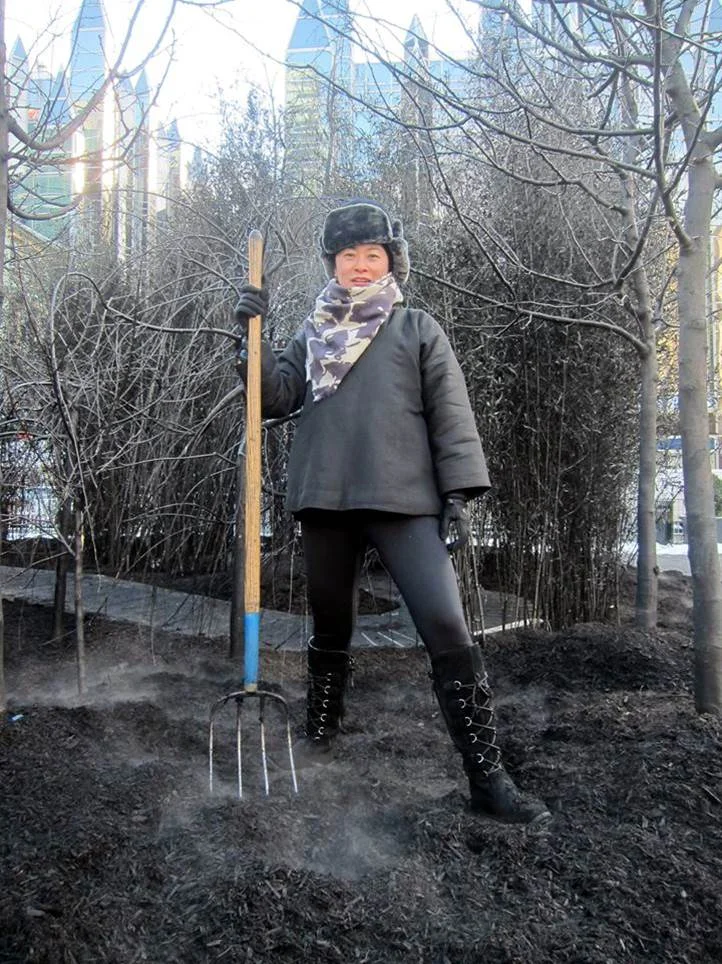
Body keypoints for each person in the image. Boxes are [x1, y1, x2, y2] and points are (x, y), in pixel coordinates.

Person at [234, 200, 550, 825]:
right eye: (347, 255)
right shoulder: (313, 329)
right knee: (330, 625)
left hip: (405, 500)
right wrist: (252, 339)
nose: (358, 265)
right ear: (334, 262)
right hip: (326, 496)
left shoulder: (416, 328)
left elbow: (451, 415)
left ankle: (487, 777)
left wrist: (457, 495)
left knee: (445, 626)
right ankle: (321, 734)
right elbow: (275, 397)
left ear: (389, 261)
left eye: (370, 255)